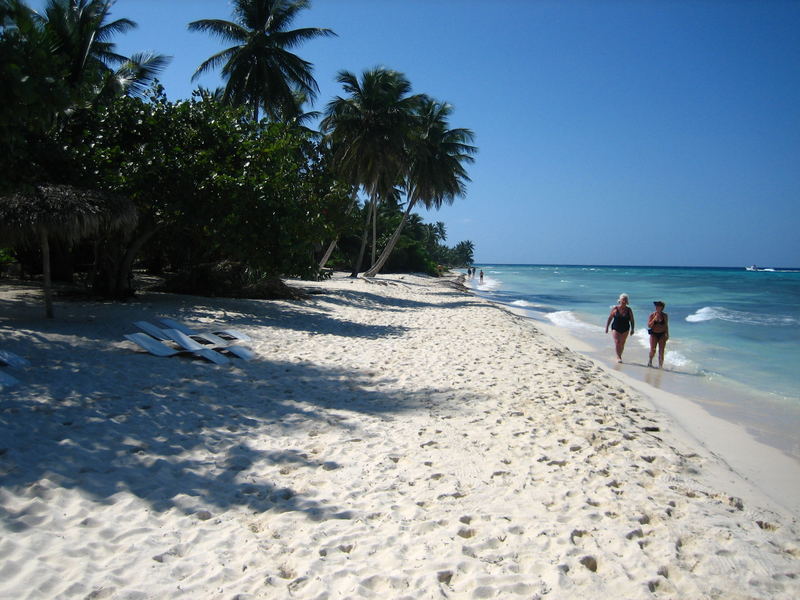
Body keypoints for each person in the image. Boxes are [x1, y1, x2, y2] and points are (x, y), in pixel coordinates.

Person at [605, 293, 635, 363]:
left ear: (627, 301)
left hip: (625, 328)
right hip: (616, 327)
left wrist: (633, 329)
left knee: (622, 343)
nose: (624, 301)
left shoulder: (629, 310)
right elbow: (610, 318)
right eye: (623, 300)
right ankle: (618, 357)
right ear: (620, 300)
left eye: (625, 300)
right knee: (617, 342)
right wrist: (607, 327)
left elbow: (632, 320)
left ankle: (619, 355)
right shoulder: (615, 308)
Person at [647, 301, 669, 368]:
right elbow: (649, 326)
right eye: (656, 306)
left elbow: (666, 325)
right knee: (653, 350)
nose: (657, 307)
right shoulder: (652, 315)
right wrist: (654, 320)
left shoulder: (665, 316)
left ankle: (660, 366)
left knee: (661, 350)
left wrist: (667, 334)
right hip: (654, 334)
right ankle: (650, 361)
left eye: (658, 306)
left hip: (662, 334)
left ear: (662, 307)